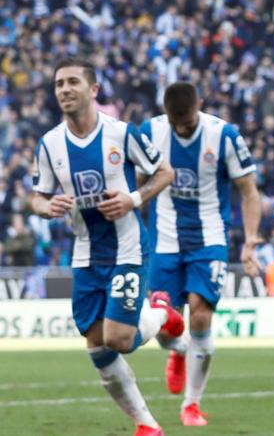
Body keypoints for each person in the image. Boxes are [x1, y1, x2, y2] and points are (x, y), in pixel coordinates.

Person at [29, 58, 180, 436]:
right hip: (85, 254)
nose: (64, 89)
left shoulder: (122, 134)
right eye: (59, 83)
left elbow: (165, 173)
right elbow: (37, 197)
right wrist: (48, 208)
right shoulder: (49, 144)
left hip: (127, 247)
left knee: (119, 338)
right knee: (97, 346)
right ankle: (147, 425)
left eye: (73, 82)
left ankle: (161, 312)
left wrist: (133, 198)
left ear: (93, 90)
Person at [142, 82, 263, 426]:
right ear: (166, 115)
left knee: (199, 317)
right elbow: (134, 186)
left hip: (209, 239)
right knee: (164, 326)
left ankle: (191, 405)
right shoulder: (150, 132)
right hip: (163, 240)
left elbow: (249, 192)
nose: (182, 129)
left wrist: (250, 239)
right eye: (176, 123)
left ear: (201, 106)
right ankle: (180, 352)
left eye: (188, 122)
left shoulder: (224, 135)